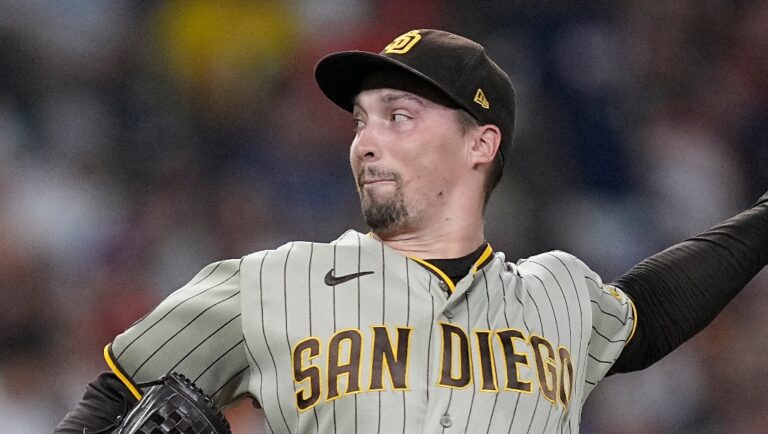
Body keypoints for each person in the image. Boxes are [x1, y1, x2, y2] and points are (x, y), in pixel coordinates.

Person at [56, 29, 767, 433]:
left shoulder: (559, 295)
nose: (365, 141)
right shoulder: (266, 284)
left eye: (398, 116)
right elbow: (114, 395)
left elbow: (649, 314)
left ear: (480, 144)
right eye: (361, 119)